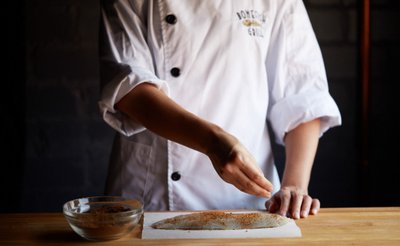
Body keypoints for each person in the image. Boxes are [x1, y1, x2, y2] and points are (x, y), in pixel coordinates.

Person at [98, 0, 342, 219]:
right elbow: (130, 89)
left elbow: (303, 94)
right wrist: (212, 141)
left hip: (250, 199)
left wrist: (294, 186)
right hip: (152, 194)